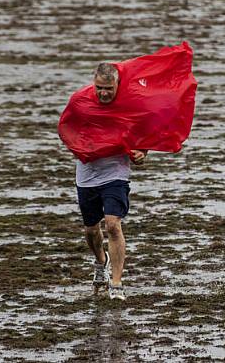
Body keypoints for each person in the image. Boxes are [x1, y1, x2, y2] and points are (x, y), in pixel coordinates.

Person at [75, 62, 146, 301]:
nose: (103, 93)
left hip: (115, 173)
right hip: (87, 175)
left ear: (118, 85)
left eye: (109, 88)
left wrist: (142, 152)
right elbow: (68, 129)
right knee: (91, 230)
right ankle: (100, 261)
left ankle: (116, 284)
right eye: (99, 88)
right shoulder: (81, 104)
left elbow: (143, 133)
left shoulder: (130, 106)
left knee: (113, 224)